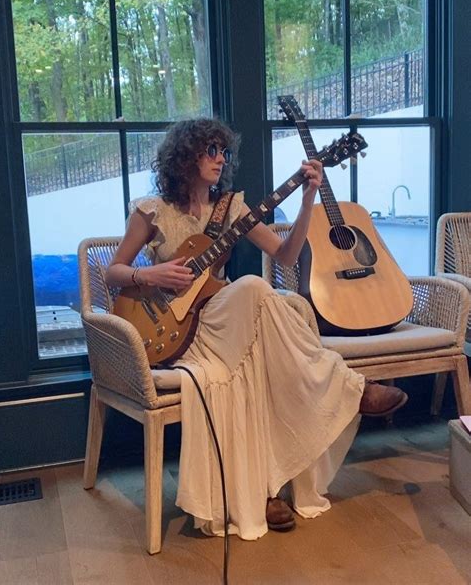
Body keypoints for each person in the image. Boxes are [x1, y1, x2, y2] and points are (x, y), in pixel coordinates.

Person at [105, 117, 408, 539]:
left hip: (225, 315)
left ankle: (266, 488)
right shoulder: (151, 210)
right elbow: (113, 273)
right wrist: (150, 275)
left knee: (256, 295)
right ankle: (347, 391)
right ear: (185, 156)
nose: (220, 159)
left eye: (224, 152)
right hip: (179, 332)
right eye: (211, 150)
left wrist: (308, 199)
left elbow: (286, 255)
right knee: (253, 292)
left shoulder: (232, 207)